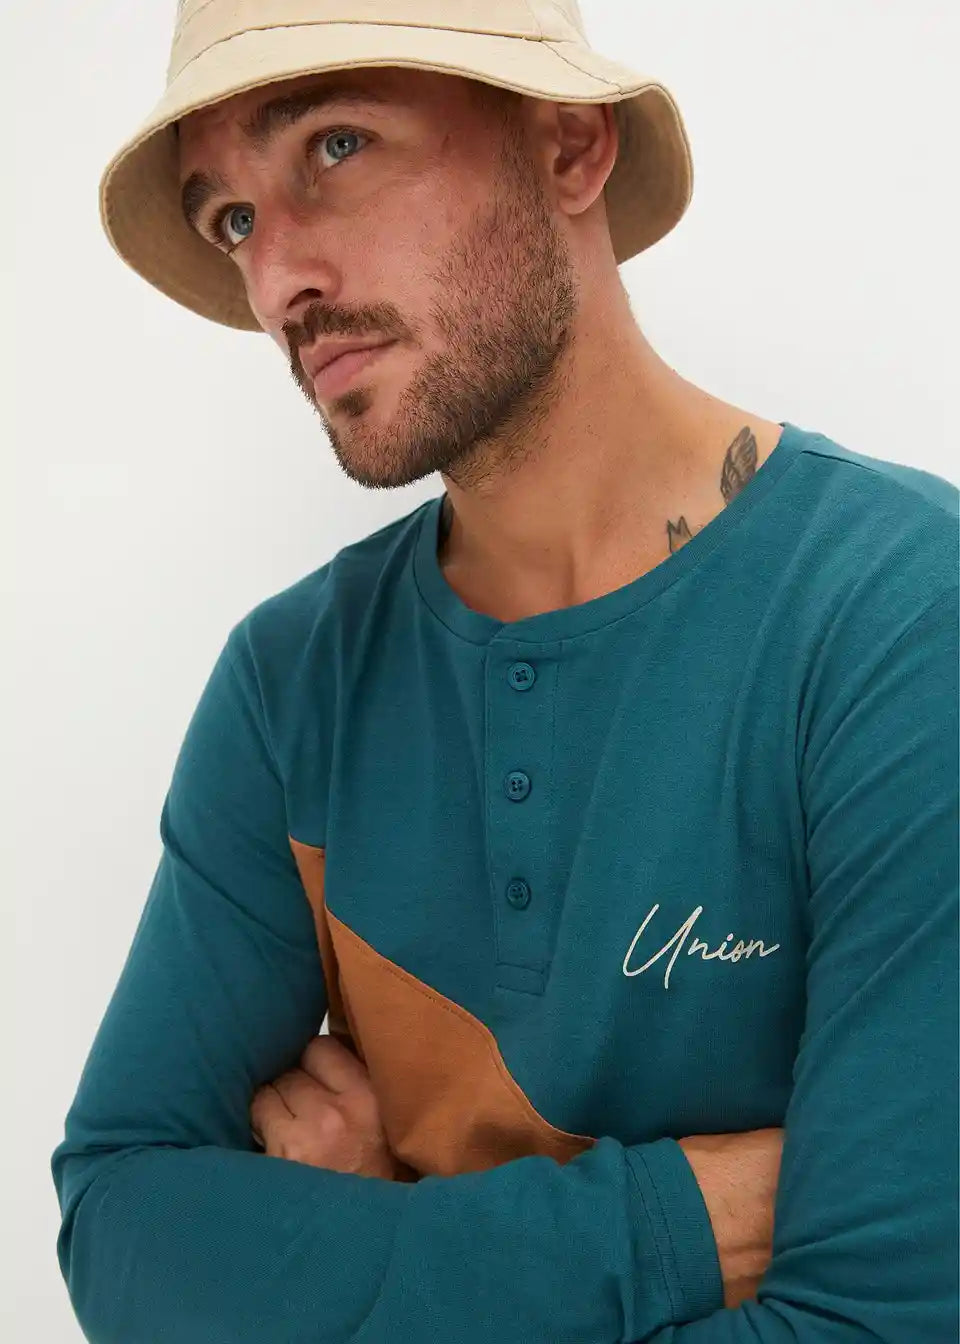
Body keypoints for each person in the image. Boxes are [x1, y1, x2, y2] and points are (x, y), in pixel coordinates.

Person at [51, 3, 958, 1342]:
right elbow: (122, 1223)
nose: (277, 279)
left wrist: (359, 1260)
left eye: (336, 146)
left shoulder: (900, 617)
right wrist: (674, 1225)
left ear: (570, 148)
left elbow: (883, 1325)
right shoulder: (291, 684)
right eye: (232, 219)